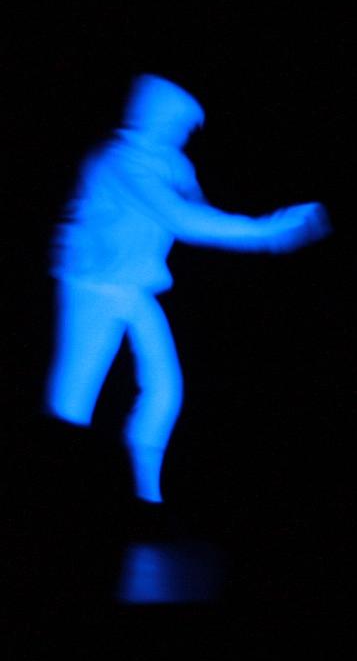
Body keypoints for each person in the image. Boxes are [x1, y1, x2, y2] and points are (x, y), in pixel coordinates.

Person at [46, 74, 331, 505]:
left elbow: (201, 215)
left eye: (185, 125)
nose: (183, 131)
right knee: (73, 398)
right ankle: (54, 497)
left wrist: (265, 229)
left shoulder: (175, 164)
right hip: (92, 287)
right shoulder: (117, 160)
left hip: (136, 289)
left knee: (164, 390)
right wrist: (268, 232)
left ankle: (145, 498)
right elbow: (183, 221)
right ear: (152, 114)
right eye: (178, 121)